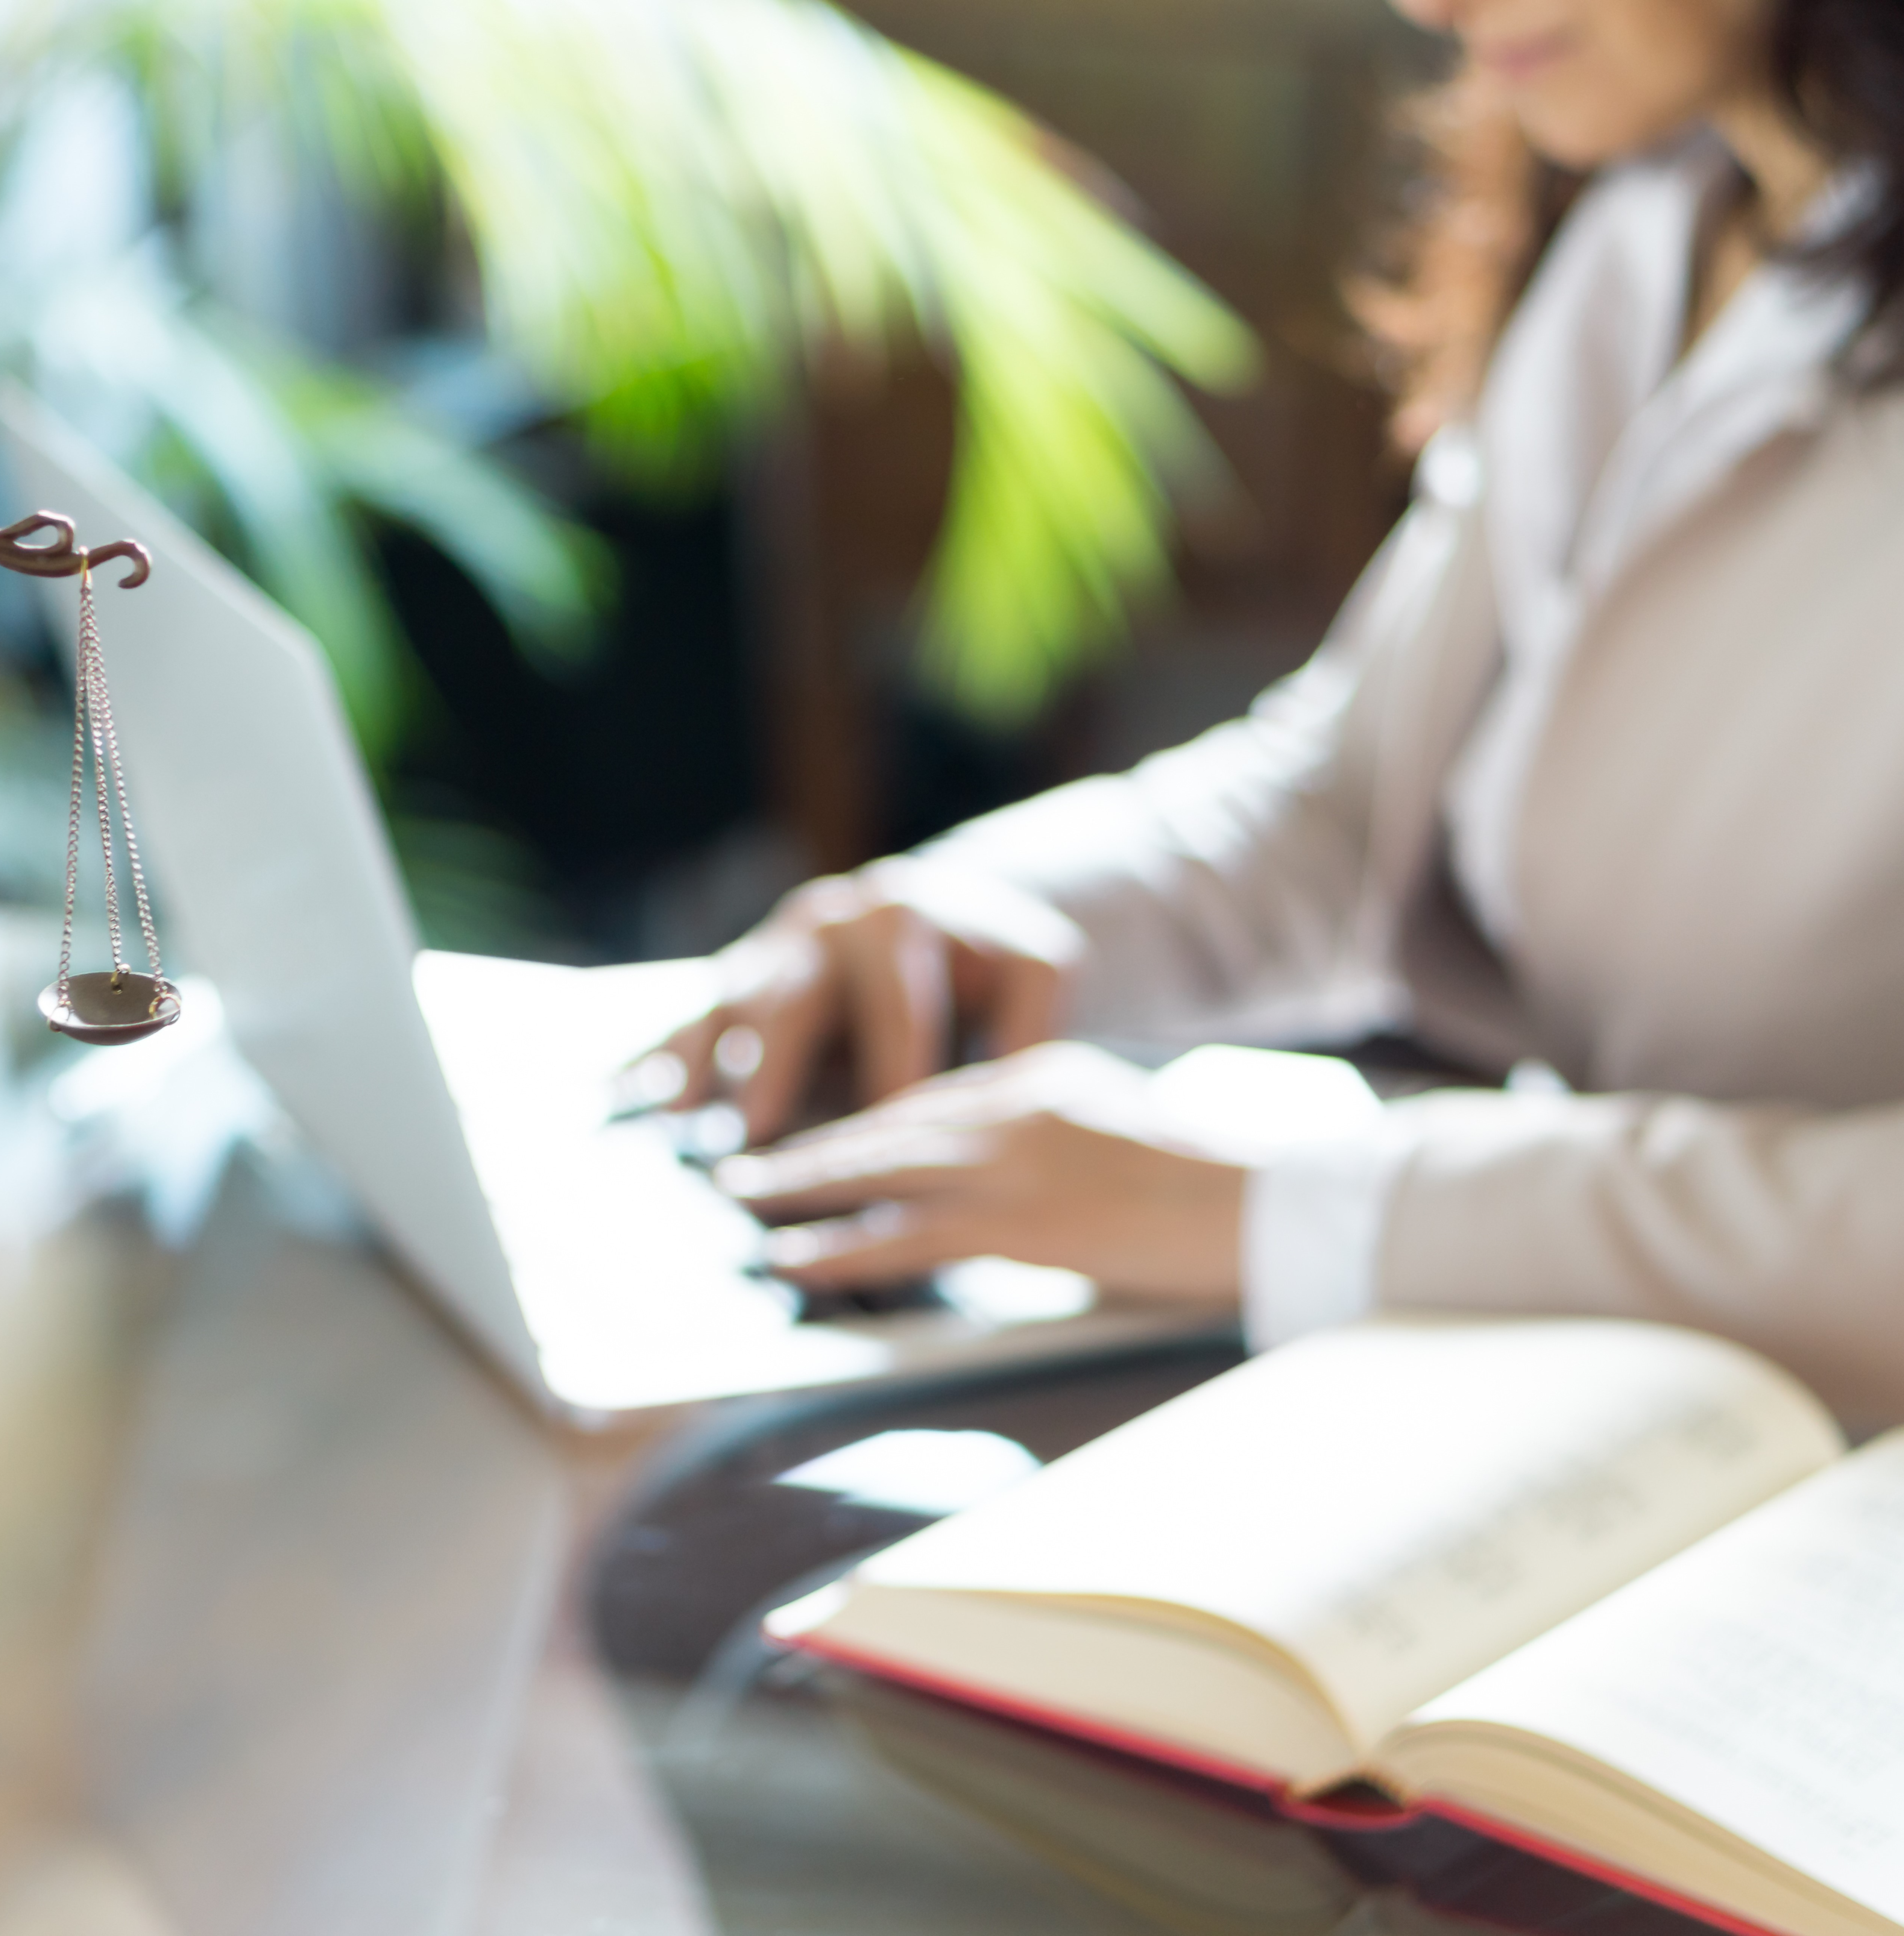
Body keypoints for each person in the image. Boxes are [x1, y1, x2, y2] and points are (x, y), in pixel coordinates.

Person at [664, 0, 1904, 1424]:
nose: (1428, 6)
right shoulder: (1662, 222)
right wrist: (978, 917)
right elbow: (1352, 799)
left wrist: (1287, 1213)